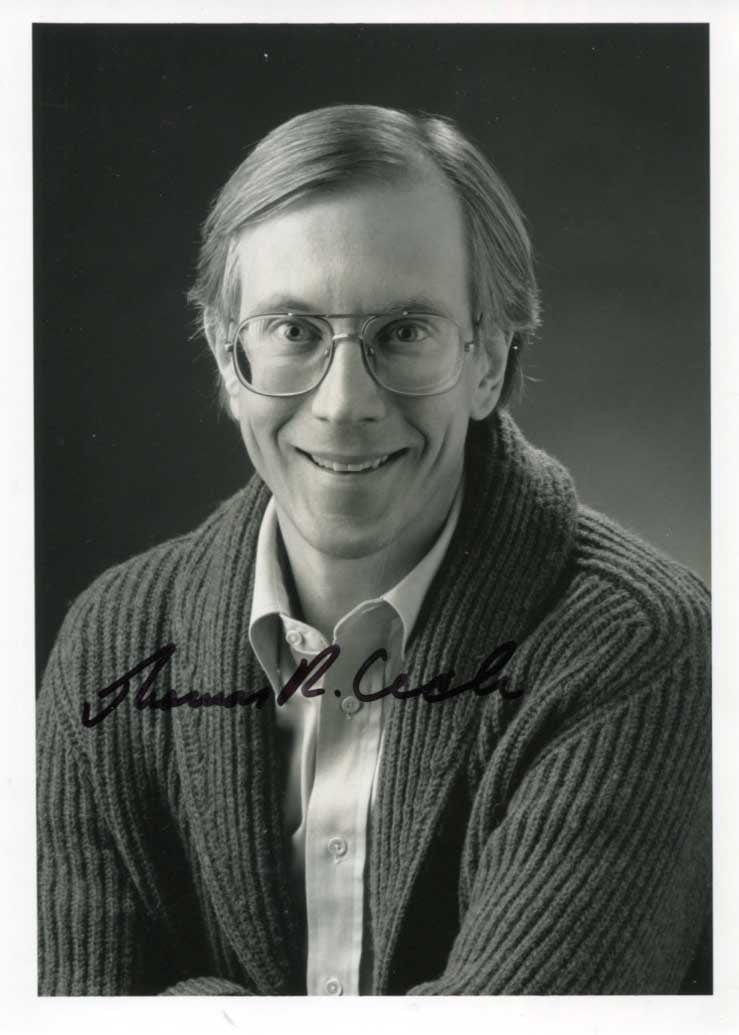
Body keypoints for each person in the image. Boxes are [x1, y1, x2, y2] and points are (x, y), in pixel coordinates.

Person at [37, 104, 711, 996]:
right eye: (293, 331)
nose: (344, 402)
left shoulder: (643, 645)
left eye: (403, 332)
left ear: (488, 361)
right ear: (227, 358)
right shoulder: (111, 643)